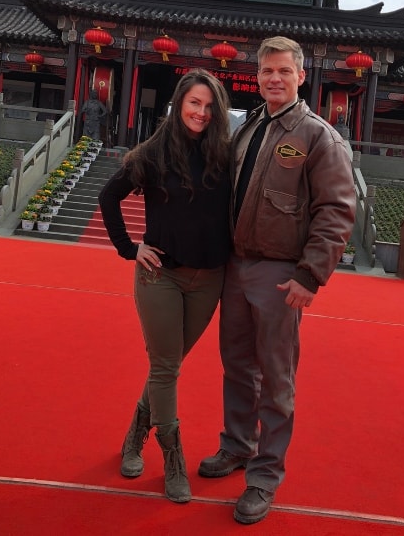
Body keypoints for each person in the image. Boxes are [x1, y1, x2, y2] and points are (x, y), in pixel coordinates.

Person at [198, 36, 357, 525]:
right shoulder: (247, 128)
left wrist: (311, 274)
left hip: (281, 271)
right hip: (237, 267)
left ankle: (265, 476)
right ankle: (237, 445)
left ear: (301, 75)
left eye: (283, 71)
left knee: (276, 376)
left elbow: (336, 209)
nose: (273, 78)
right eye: (267, 70)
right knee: (237, 365)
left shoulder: (316, 136)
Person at [98, 69, 231, 504]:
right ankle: (172, 456)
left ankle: (135, 430)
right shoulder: (154, 152)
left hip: (209, 279)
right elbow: (108, 196)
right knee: (166, 368)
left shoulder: (225, 155)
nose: (202, 112)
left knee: (166, 365)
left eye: (210, 106)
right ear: (179, 104)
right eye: (195, 103)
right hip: (161, 275)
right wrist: (128, 248)